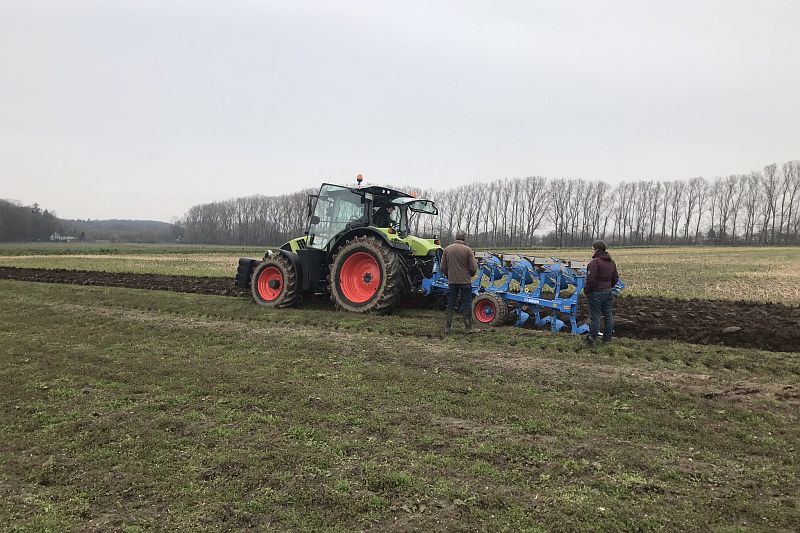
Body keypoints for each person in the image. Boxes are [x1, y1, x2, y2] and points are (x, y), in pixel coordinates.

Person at [440, 229, 478, 334]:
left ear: (455, 237)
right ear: (464, 238)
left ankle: (448, 327)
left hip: (452, 282)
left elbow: (443, 267)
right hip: (465, 282)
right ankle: (468, 328)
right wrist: (470, 275)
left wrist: (449, 275)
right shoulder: (468, 250)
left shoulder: (447, 249)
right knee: (467, 303)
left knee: (451, 303)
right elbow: (473, 267)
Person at [584, 239, 619, 345]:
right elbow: (615, 278)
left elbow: (591, 280)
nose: (592, 251)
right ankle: (607, 339)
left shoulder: (595, 263)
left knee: (595, 316)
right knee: (608, 315)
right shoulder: (611, 262)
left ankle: (591, 339)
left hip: (596, 293)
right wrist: (608, 287)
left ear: (596, 250)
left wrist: (587, 290)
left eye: (592, 249)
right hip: (608, 292)